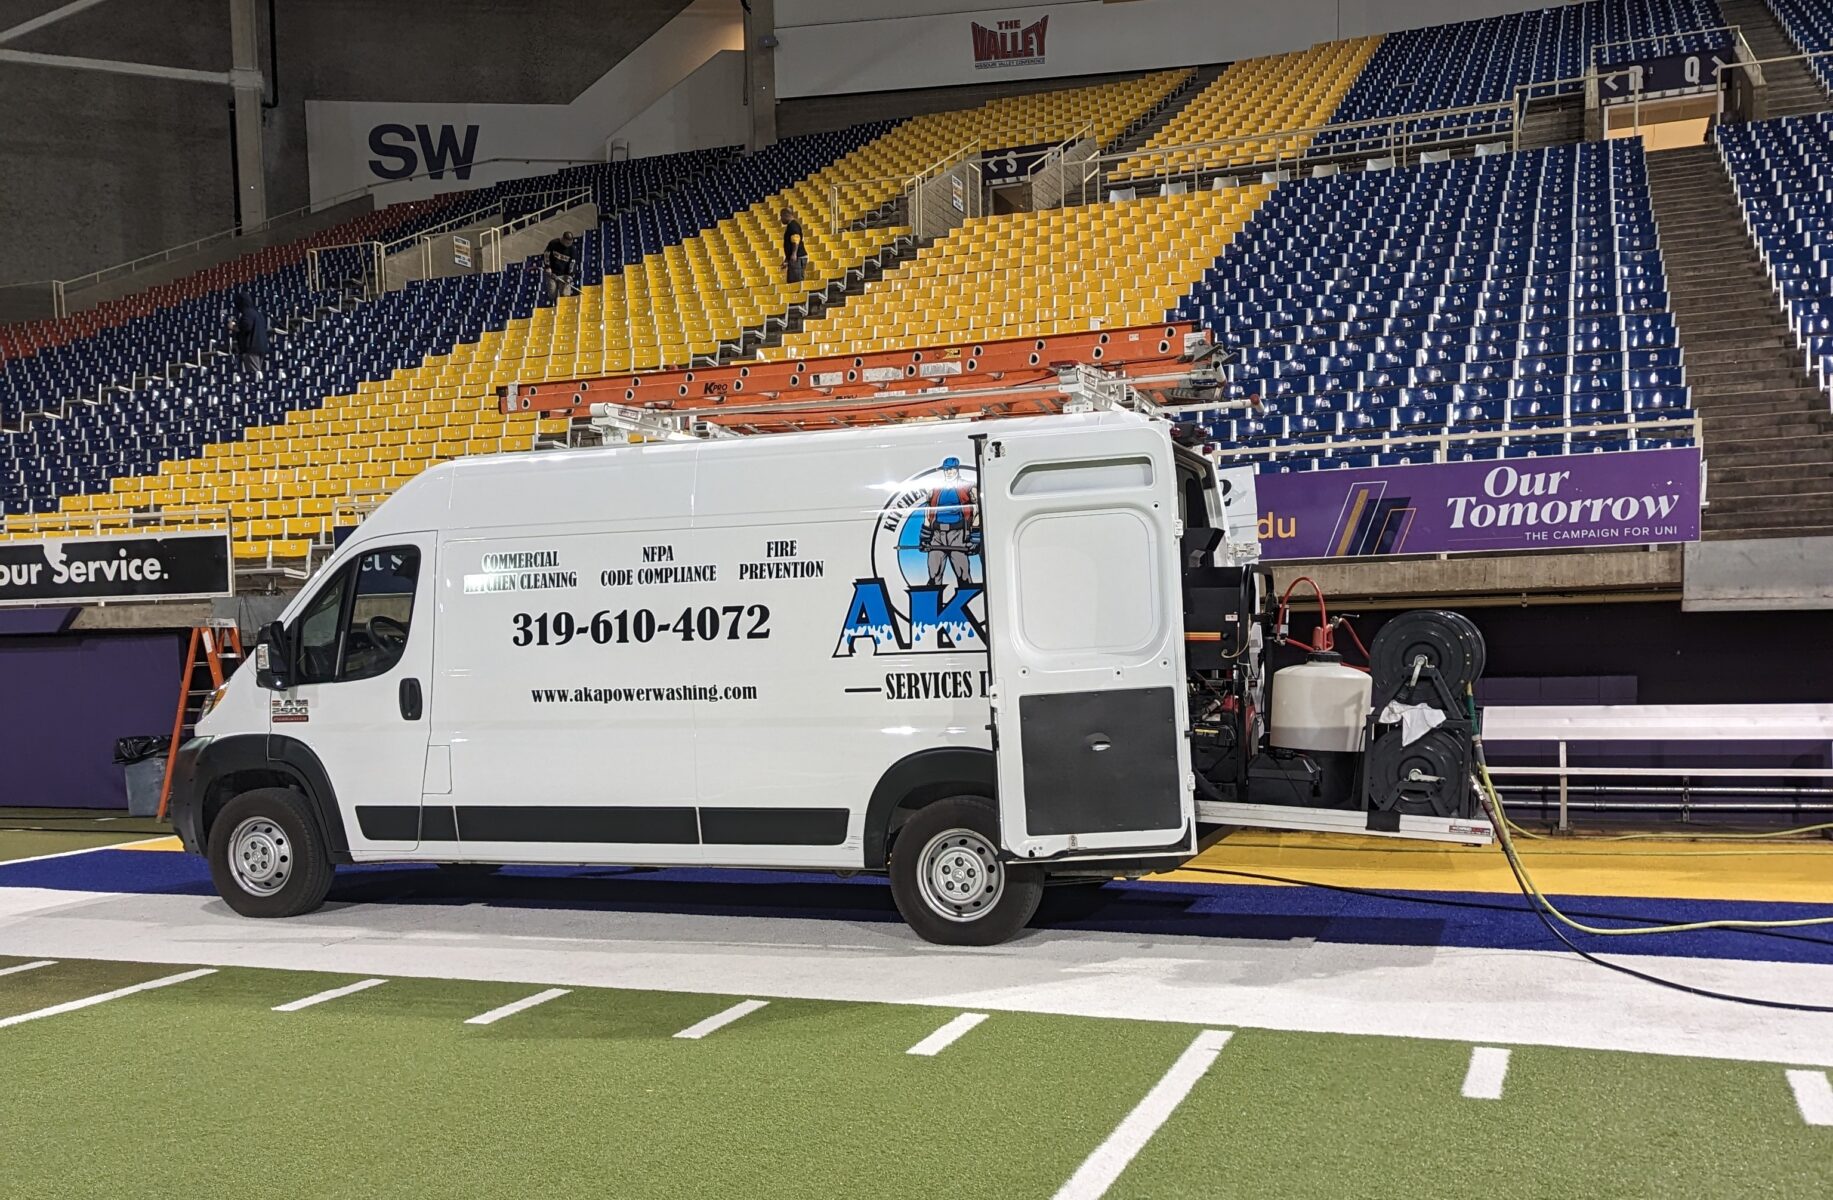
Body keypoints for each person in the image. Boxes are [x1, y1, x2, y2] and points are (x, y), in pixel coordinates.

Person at [919, 457, 979, 588]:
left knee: (963, 575)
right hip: (937, 536)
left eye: (951, 469)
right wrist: (924, 536)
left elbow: (977, 510)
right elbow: (928, 511)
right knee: (934, 575)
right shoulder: (935, 489)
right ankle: (932, 606)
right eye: (946, 469)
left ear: (957, 469)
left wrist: (975, 537)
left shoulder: (968, 487)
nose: (949, 472)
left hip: (957, 535)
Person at [231, 290, 270, 377]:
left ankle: (258, 389)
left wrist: (233, 327)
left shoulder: (247, 314)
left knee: (254, 375)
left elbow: (245, 327)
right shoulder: (258, 314)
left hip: (251, 349)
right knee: (257, 372)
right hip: (261, 348)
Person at [543, 230, 580, 302]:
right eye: (567, 242)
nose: (569, 244)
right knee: (552, 293)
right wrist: (547, 267)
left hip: (564, 275)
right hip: (552, 273)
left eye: (570, 242)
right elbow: (546, 255)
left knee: (565, 294)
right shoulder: (553, 243)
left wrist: (570, 276)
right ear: (563, 239)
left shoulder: (573, 250)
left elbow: (572, 264)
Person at [781, 209, 808, 285]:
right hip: (795, 258)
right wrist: (787, 259)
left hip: (798, 258)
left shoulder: (793, 225)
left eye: (781, 216)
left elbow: (796, 239)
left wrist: (794, 254)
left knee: (796, 283)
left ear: (786, 215)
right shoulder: (791, 225)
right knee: (791, 282)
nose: (781, 219)